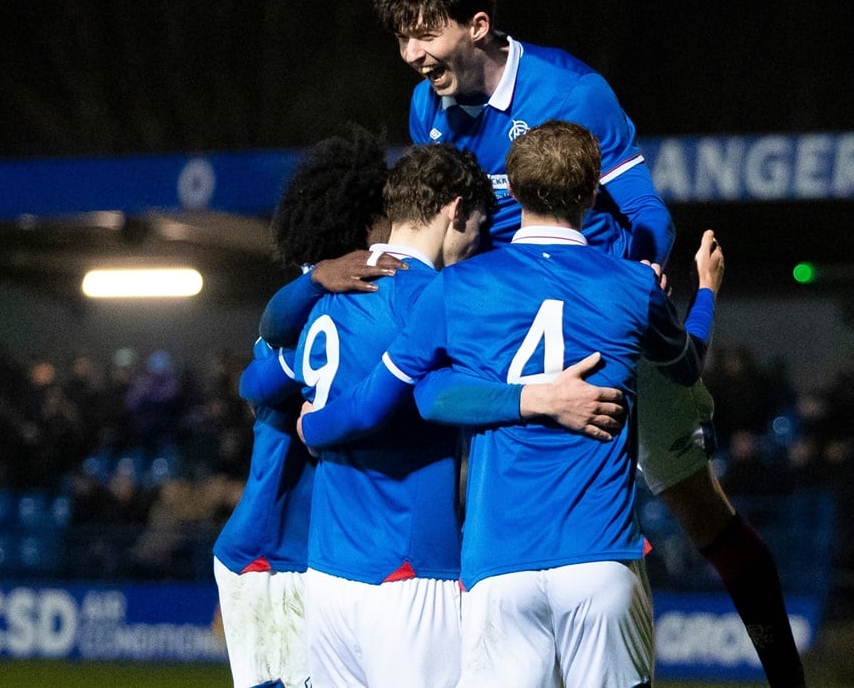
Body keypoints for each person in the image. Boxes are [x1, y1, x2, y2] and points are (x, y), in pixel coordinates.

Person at [373, 0, 805, 686]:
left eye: (426, 33)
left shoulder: (572, 91)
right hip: (507, 327)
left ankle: (785, 672)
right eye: (403, 37)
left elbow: (645, 210)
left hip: (605, 325)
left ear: (477, 24)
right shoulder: (427, 109)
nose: (413, 53)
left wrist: (641, 265)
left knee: (702, 513)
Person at [299, 120, 723, 685]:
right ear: (594, 193)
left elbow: (428, 394)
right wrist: (707, 291)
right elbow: (687, 365)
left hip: (498, 563)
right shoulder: (633, 284)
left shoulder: (460, 285)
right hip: (598, 554)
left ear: (514, 194)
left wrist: (525, 399)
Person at [293, 141, 496, 688]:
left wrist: (310, 422)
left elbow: (265, 365)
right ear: (456, 210)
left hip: (329, 568)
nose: (476, 245)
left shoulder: (329, 293)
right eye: (477, 225)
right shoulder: (432, 296)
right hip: (409, 567)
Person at [212, 124, 395, 688]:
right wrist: (316, 280)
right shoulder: (307, 306)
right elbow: (252, 384)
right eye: (390, 211)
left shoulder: (372, 299)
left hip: (333, 556)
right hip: (275, 553)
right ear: (365, 220)